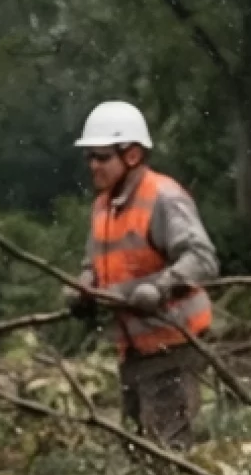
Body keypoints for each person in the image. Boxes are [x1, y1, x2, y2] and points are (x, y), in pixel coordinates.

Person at [68, 102, 218, 449]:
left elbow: (202, 258)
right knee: (137, 448)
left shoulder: (164, 198)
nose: (93, 165)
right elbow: (95, 263)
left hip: (172, 344)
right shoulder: (104, 205)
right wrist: (84, 288)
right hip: (132, 349)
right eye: (89, 157)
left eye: (102, 157)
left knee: (167, 452)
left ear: (132, 154)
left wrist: (161, 288)